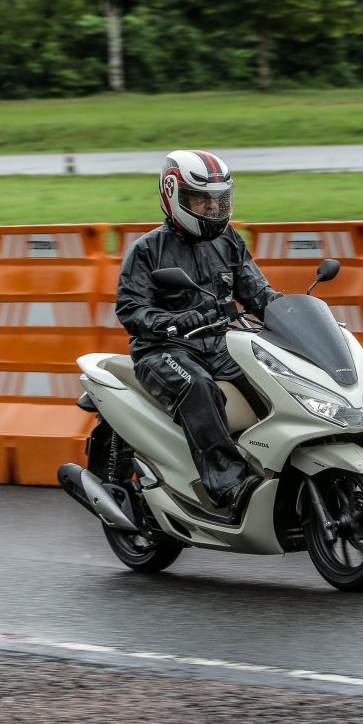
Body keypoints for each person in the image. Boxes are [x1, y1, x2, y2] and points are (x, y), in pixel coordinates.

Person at [115, 150, 281, 516]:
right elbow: (130, 309)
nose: (212, 207)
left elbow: (257, 292)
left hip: (221, 344)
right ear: (173, 195)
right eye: (201, 199)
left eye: (219, 199)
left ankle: (279, 468)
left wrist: (291, 311)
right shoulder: (146, 250)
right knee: (199, 386)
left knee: (273, 379)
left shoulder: (228, 240)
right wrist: (172, 321)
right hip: (164, 350)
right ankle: (229, 485)